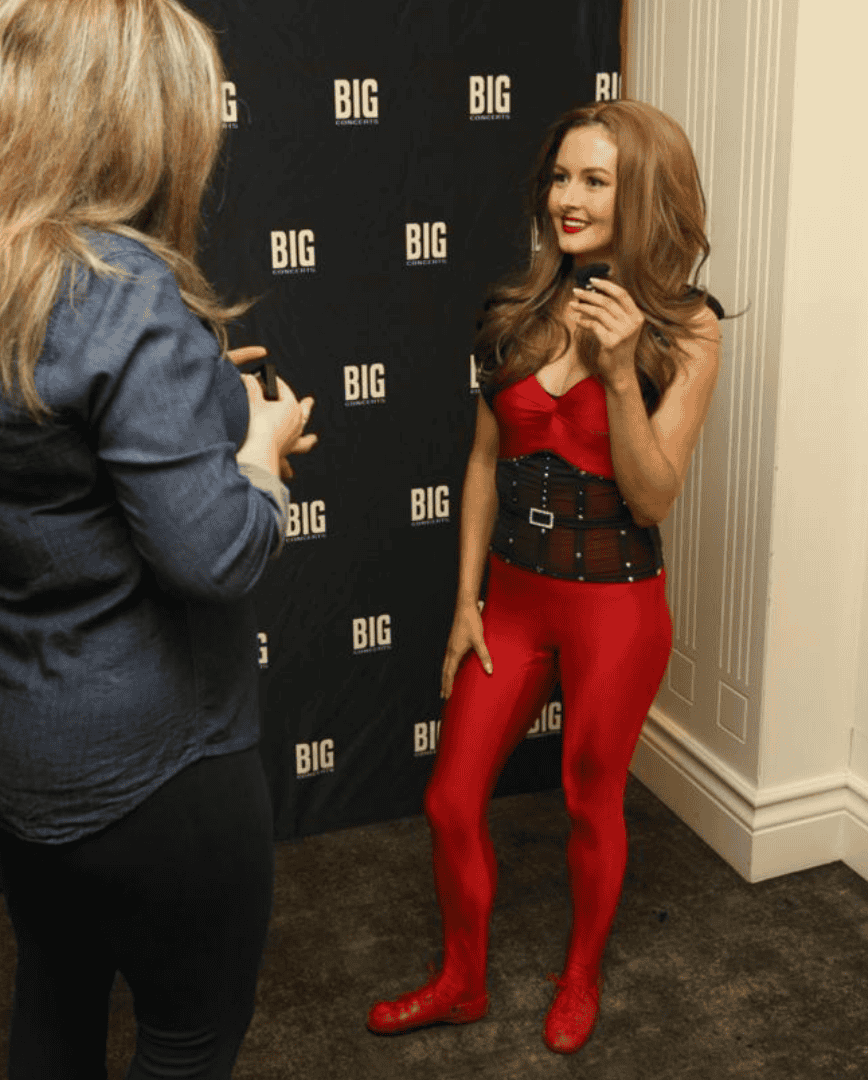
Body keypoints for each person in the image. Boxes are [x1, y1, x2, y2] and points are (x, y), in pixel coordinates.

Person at [0, 1, 316, 1077]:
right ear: (119, 120)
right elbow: (215, 554)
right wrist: (259, 455)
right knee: (188, 1037)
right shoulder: (122, 287)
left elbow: (45, 455)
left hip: (6, 726)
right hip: (152, 760)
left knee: (55, 991)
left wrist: (187, 412)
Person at [366, 99, 723, 1053]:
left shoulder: (687, 328)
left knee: (587, 798)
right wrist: (463, 605)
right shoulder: (514, 312)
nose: (567, 197)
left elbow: (653, 501)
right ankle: (462, 981)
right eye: (561, 177)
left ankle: (581, 977)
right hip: (513, 605)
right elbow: (483, 463)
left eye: (595, 180)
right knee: (449, 799)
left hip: (617, 609)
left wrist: (614, 375)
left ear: (639, 193)